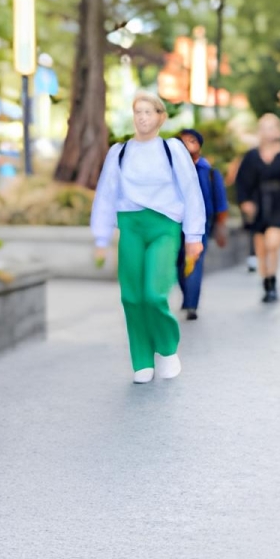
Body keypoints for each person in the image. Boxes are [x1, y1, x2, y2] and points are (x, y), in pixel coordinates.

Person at [90, 92, 206, 384]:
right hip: (130, 226)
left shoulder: (172, 149)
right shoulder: (119, 152)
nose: (142, 117)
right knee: (131, 295)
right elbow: (106, 193)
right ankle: (141, 359)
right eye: (138, 112)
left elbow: (191, 190)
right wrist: (101, 238)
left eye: (149, 112)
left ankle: (167, 349)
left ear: (160, 117)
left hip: (163, 226)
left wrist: (194, 234)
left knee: (154, 294)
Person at [235, 113, 280, 303]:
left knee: (273, 244)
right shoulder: (251, 156)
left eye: (272, 127)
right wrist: (244, 201)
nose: (268, 131)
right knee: (261, 249)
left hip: (279, 204)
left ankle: (273, 278)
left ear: (278, 130)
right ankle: (267, 282)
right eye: (264, 127)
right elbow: (242, 182)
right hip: (258, 205)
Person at [175, 128, 227, 321]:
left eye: (191, 141)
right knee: (179, 262)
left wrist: (221, 226)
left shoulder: (209, 172)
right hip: (175, 223)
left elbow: (220, 201)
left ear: (199, 146)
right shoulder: (171, 170)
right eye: (182, 141)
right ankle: (187, 295)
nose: (187, 145)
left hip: (201, 224)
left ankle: (191, 303)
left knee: (194, 260)